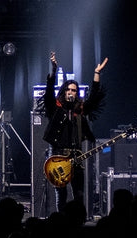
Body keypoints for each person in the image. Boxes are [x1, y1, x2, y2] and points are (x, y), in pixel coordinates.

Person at [43, 51, 107, 211]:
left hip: (77, 156)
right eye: (69, 90)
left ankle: (77, 223)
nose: (71, 92)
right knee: (61, 194)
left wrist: (96, 74)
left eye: (74, 90)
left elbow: (94, 99)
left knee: (79, 193)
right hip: (58, 154)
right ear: (64, 92)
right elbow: (49, 94)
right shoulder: (56, 108)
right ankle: (61, 224)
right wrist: (54, 70)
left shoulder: (79, 110)